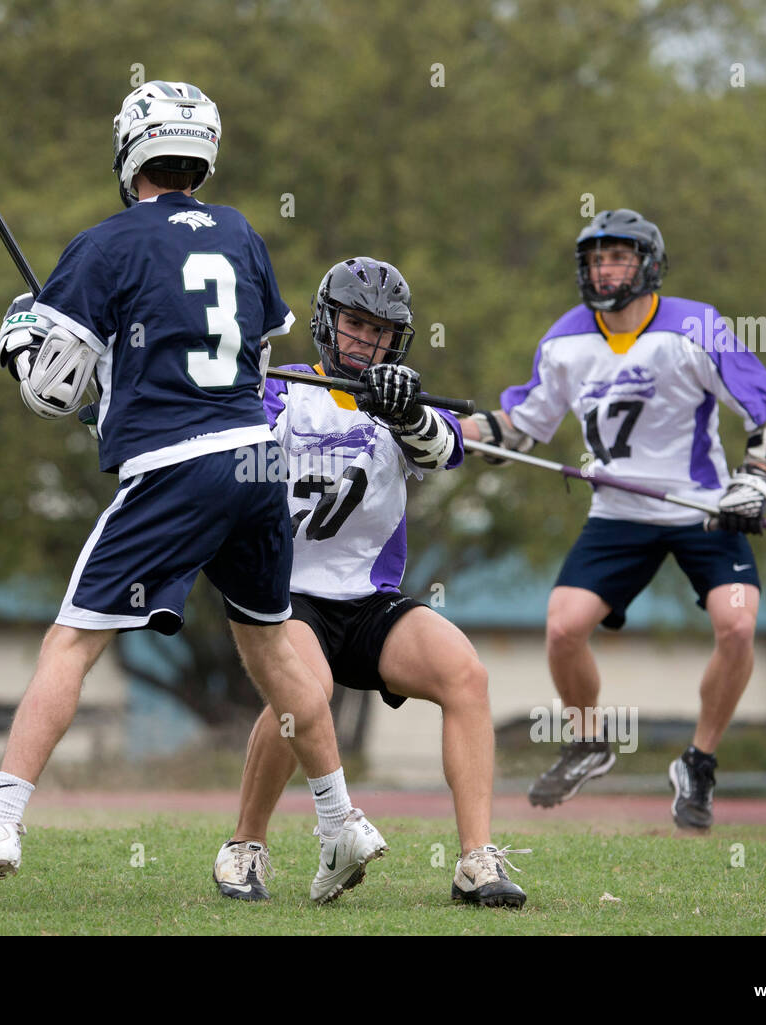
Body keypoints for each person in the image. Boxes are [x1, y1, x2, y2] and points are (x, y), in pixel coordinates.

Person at [0, 82, 386, 904]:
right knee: (272, 648)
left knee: (71, 641)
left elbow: (53, 392)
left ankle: (1, 819)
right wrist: (116, 375)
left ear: (131, 152)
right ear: (203, 151)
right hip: (255, 465)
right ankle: (341, 822)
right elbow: (244, 366)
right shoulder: (240, 234)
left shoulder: (106, 242)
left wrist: (23, 336)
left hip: (174, 468)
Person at [461, 209, 766, 829]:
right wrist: (453, 432)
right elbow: (522, 426)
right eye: (595, 259)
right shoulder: (565, 338)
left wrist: (755, 481)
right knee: (563, 628)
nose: (604, 269)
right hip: (617, 511)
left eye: (617, 257)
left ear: (647, 265)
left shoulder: (698, 327)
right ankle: (589, 741)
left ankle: (698, 761)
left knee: (739, 625)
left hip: (700, 505)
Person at [211, 258, 529, 907]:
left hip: (370, 604)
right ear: (329, 322)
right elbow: (211, 428)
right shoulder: (277, 388)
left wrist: (406, 411)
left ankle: (476, 860)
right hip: (290, 593)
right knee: (308, 689)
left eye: (382, 331)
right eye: (356, 324)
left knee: (465, 673)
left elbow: (443, 451)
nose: (368, 340)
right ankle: (245, 844)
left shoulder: (401, 403)